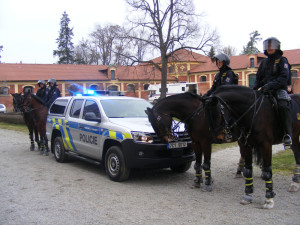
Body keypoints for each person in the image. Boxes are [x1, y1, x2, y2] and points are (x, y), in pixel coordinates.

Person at [253, 37, 292, 147]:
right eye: (267, 45)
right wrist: (254, 88)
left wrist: (269, 85)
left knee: (283, 106)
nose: (269, 48)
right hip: (265, 91)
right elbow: (258, 78)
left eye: (271, 45)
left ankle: (287, 134)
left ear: (277, 47)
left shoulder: (282, 60)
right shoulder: (264, 62)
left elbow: (284, 77)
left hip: (279, 89)